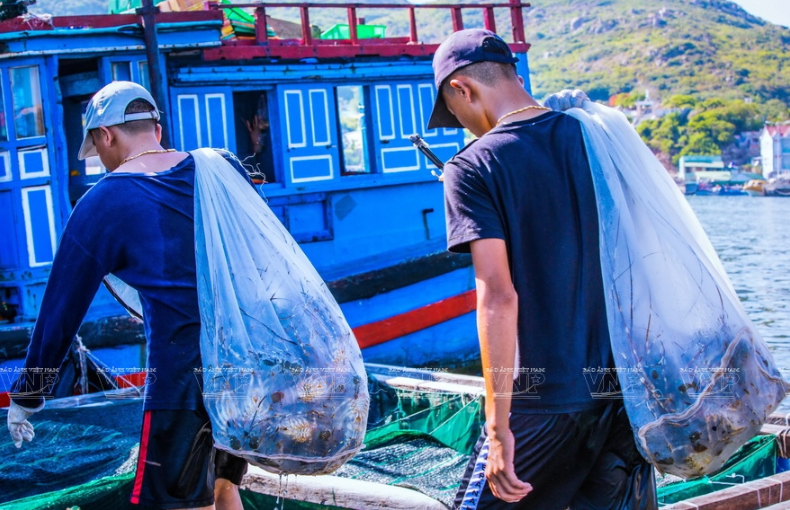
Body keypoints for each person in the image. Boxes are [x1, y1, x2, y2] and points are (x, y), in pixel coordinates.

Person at [426, 30, 658, 509]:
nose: (464, 127)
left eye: (456, 115)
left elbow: (498, 296)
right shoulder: (594, 138)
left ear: (462, 90)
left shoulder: (472, 167)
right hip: (620, 398)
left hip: (544, 402)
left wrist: (498, 428)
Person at [6, 81, 249, 510]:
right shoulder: (222, 168)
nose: (100, 160)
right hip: (245, 370)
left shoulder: (104, 201)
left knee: (174, 504)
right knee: (223, 488)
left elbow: (59, 316)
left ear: (105, 135)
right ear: (154, 125)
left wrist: (28, 395)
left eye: (97, 149)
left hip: (181, 382)